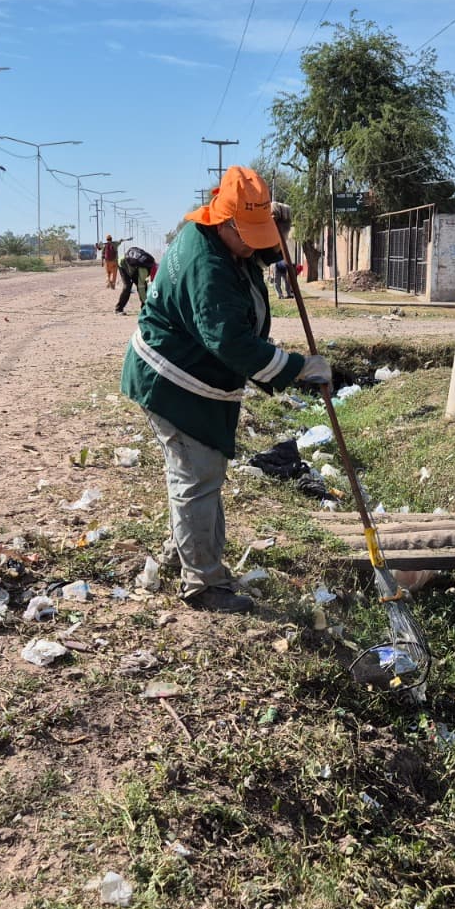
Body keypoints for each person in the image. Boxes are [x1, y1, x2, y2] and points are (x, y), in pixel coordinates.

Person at [121, 166, 331, 613]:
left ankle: (184, 552)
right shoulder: (207, 267)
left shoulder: (210, 234)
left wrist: (272, 242)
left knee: (196, 473)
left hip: (187, 373)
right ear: (225, 221)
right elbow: (231, 343)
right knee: (197, 477)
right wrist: (297, 368)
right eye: (249, 235)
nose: (255, 245)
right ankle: (203, 584)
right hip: (172, 381)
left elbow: (251, 257)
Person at [115, 245, 157, 315]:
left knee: (143, 285)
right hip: (123, 265)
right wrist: (146, 301)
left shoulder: (151, 263)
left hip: (133, 267)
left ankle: (144, 308)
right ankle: (118, 309)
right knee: (127, 287)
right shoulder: (144, 271)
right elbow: (141, 287)